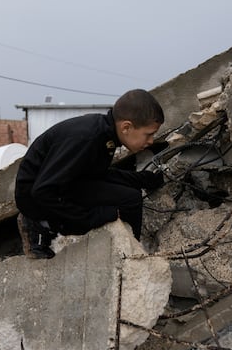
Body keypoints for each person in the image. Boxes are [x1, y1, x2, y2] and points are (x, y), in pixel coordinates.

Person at [14, 89, 165, 259]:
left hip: (64, 185)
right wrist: (95, 217)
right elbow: (43, 191)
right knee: (129, 201)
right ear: (126, 127)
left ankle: (130, 252)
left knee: (130, 196)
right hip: (37, 201)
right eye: (149, 134)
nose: (151, 141)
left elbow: (98, 175)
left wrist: (144, 180)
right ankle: (42, 226)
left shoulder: (104, 135)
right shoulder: (88, 138)